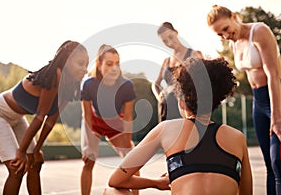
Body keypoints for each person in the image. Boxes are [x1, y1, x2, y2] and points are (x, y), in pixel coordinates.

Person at [106, 58, 253, 195]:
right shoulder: (237, 137)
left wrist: (158, 183)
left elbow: (116, 180)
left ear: (181, 102)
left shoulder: (166, 129)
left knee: (110, 191)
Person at [0, 40, 89, 195]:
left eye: (86, 64)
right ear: (67, 60)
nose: (85, 69)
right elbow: (40, 116)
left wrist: (36, 151)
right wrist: (21, 152)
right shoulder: (54, 76)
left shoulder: (69, 85)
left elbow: (50, 121)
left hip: (16, 118)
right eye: (80, 63)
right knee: (17, 168)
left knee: (36, 162)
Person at [207, 5, 281, 194]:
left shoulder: (259, 31)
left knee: (278, 162)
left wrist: (276, 117)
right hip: (258, 102)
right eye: (220, 34)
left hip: (279, 97)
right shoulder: (234, 43)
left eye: (225, 29)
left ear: (234, 17)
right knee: (268, 163)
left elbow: (273, 74)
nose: (225, 36)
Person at [80, 44, 139, 195]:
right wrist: (87, 147)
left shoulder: (126, 85)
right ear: (99, 64)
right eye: (109, 63)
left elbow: (127, 117)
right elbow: (86, 115)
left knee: (133, 161)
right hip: (93, 122)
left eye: (117, 64)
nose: (114, 68)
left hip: (115, 123)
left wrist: (127, 144)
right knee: (88, 162)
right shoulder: (88, 84)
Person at [152, 22, 204, 123]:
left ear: (176, 32)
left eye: (170, 37)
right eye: (165, 41)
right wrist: (159, 96)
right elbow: (155, 84)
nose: (169, 43)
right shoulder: (166, 61)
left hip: (185, 110)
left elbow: (202, 82)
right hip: (165, 109)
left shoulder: (194, 55)